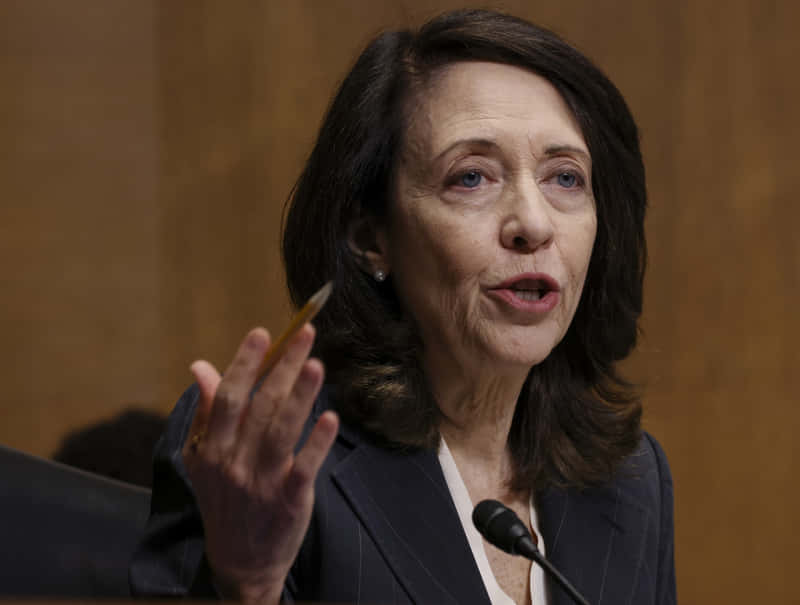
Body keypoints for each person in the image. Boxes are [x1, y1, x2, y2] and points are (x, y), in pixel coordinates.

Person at [130, 9, 675, 605]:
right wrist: (247, 588)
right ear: (372, 239)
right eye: (472, 177)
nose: (534, 223)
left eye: (565, 179)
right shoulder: (264, 456)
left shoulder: (630, 481)